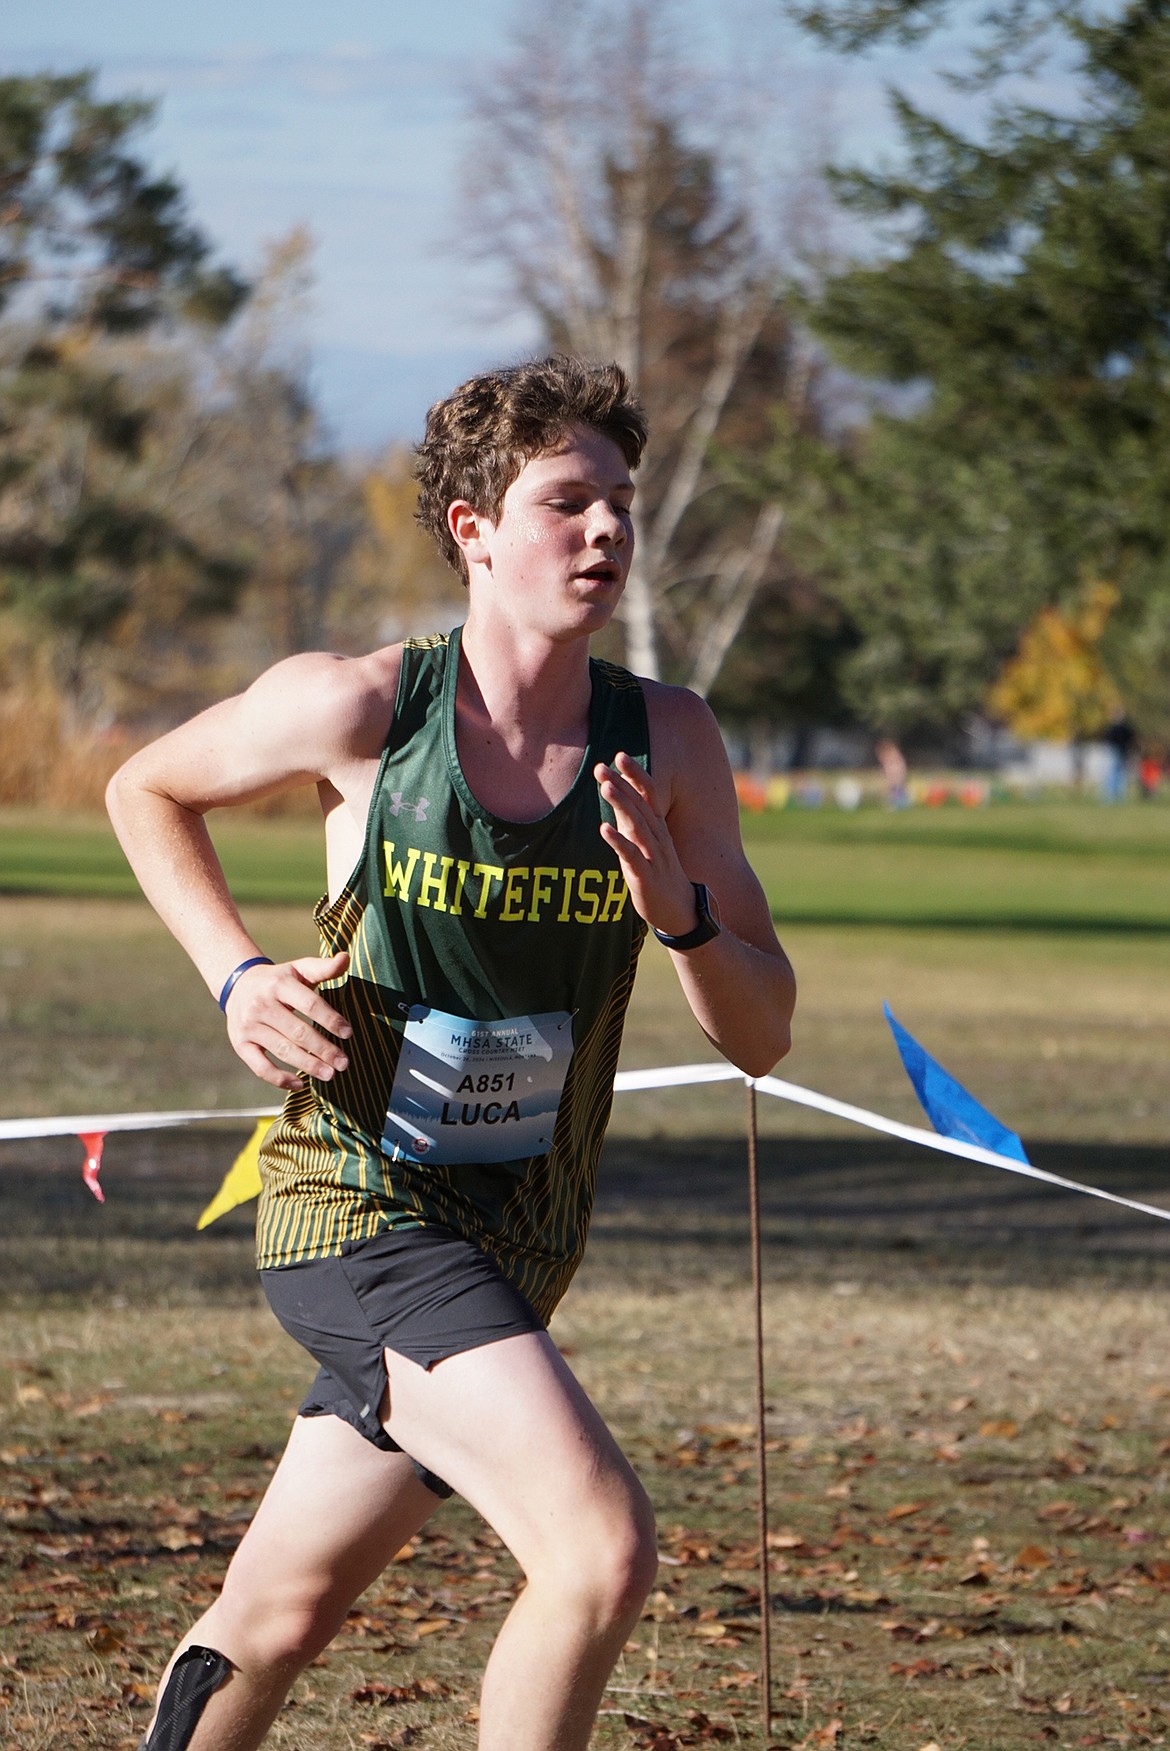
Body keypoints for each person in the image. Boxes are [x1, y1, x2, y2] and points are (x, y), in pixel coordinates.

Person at [107, 355, 796, 1751]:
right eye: (564, 504)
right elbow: (146, 786)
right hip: (354, 1207)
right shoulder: (362, 707)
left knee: (277, 1612)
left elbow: (763, 1036)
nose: (603, 532)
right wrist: (234, 975)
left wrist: (681, 918)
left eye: (619, 503)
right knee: (597, 1550)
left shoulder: (666, 740)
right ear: (473, 529)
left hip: (517, 1240)